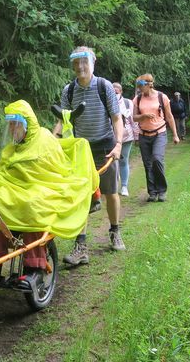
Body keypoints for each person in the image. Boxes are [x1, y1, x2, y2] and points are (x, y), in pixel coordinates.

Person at [0, 100, 97, 288]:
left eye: (16, 124)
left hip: (43, 189)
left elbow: (56, 170)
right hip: (16, 191)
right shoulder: (13, 148)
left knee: (33, 207)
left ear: (27, 124)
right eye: (10, 124)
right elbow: (4, 172)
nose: (12, 128)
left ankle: (34, 270)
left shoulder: (45, 139)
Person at [53, 46, 125, 265]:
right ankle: (81, 246)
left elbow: (116, 118)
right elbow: (63, 119)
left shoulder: (104, 86)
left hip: (105, 147)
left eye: (84, 62)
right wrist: (52, 138)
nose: (80, 67)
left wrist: (119, 144)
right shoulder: (69, 90)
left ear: (92, 63)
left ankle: (114, 231)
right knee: (81, 195)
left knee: (111, 193)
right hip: (80, 149)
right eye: (76, 63)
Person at [132, 74, 179, 202]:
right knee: (147, 164)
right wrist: (144, 116)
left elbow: (169, 116)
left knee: (157, 159)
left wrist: (175, 134)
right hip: (144, 135)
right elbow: (134, 117)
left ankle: (162, 191)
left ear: (149, 84)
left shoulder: (161, 97)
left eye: (141, 86)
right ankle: (152, 192)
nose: (139, 89)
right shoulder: (137, 98)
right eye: (138, 87)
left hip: (159, 133)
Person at [113, 82, 139, 196]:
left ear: (121, 92)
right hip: (111, 137)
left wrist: (137, 136)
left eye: (116, 92)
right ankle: (113, 187)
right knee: (112, 163)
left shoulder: (128, 103)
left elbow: (133, 121)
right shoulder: (106, 102)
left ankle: (124, 186)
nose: (114, 94)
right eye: (112, 91)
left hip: (127, 137)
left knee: (123, 161)